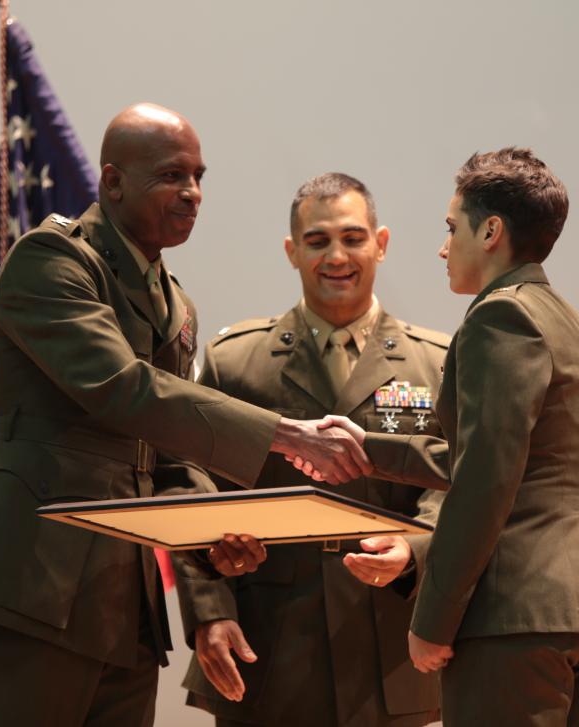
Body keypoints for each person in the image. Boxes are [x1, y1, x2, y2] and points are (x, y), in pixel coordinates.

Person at [0, 103, 371, 727]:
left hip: (120, 606)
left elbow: (163, 453)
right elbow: (124, 389)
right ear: (113, 182)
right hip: (30, 584)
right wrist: (283, 434)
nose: (191, 193)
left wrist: (212, 535)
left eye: (198, 177)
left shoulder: (173, 299)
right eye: (171, 176)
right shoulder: (52, 260)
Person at [317, 149, 579, 726]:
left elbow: (485, 481)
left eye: (450, 227)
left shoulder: (499, 317)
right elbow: (501, 455)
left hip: (517, 614)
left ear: (490, 231)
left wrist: (431, 621)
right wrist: (367, 450)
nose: (443, 248)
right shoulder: (565, 317)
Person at [173, 173, 449, 727]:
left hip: (391, 648)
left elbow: (459, 482)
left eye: (353, 237)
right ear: (292, 251)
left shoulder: (437, 364)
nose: (337, 256)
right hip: (271, 647)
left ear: (382, 243)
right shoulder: (236, 362)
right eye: (318, 241)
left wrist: (416, 549)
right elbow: (191, 487)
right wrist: (209, 611)